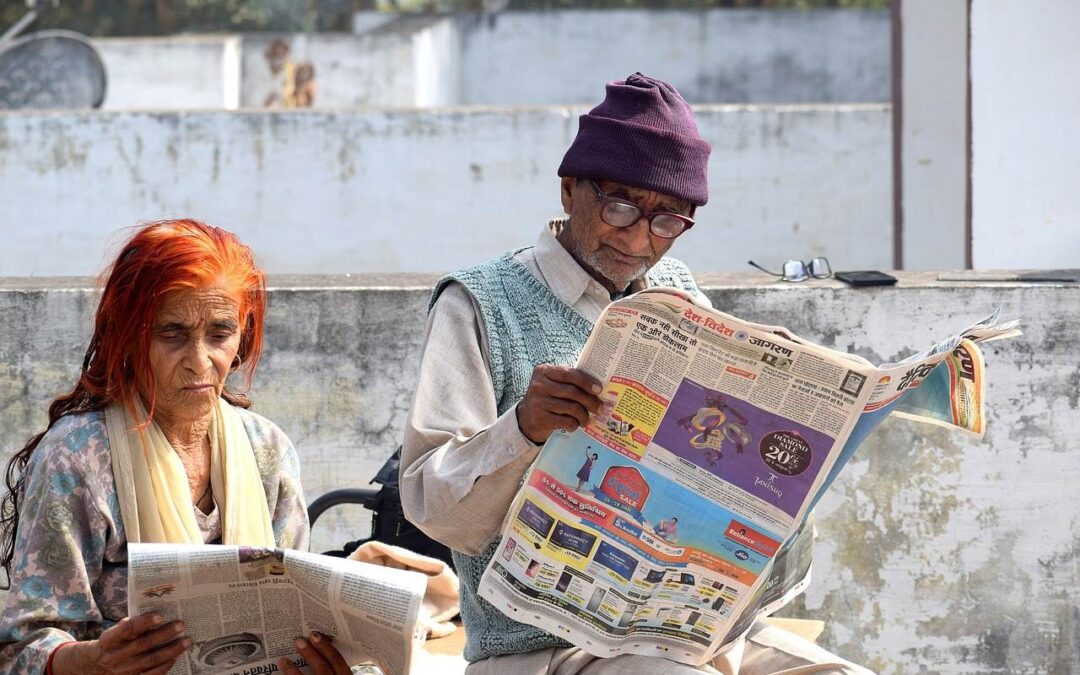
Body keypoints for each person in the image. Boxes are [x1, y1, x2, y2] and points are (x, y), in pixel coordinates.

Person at [401, 74, 874, 674]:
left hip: (681, 630)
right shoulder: (478, 303)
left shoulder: (677, 293)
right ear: (571, 189)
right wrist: (523, 428)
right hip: (542, 649)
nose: (638, 238)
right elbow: (429, 504)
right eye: (620, 206)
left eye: (667, 220)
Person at [0, 220, 348, 675]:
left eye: (220, 334)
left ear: (242, 335)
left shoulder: (266, 449)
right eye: (172, 334)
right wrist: (93, 661)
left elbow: (295, 617)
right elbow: (19, 649)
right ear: (128, 337)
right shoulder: (79, 457)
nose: (200, 362)